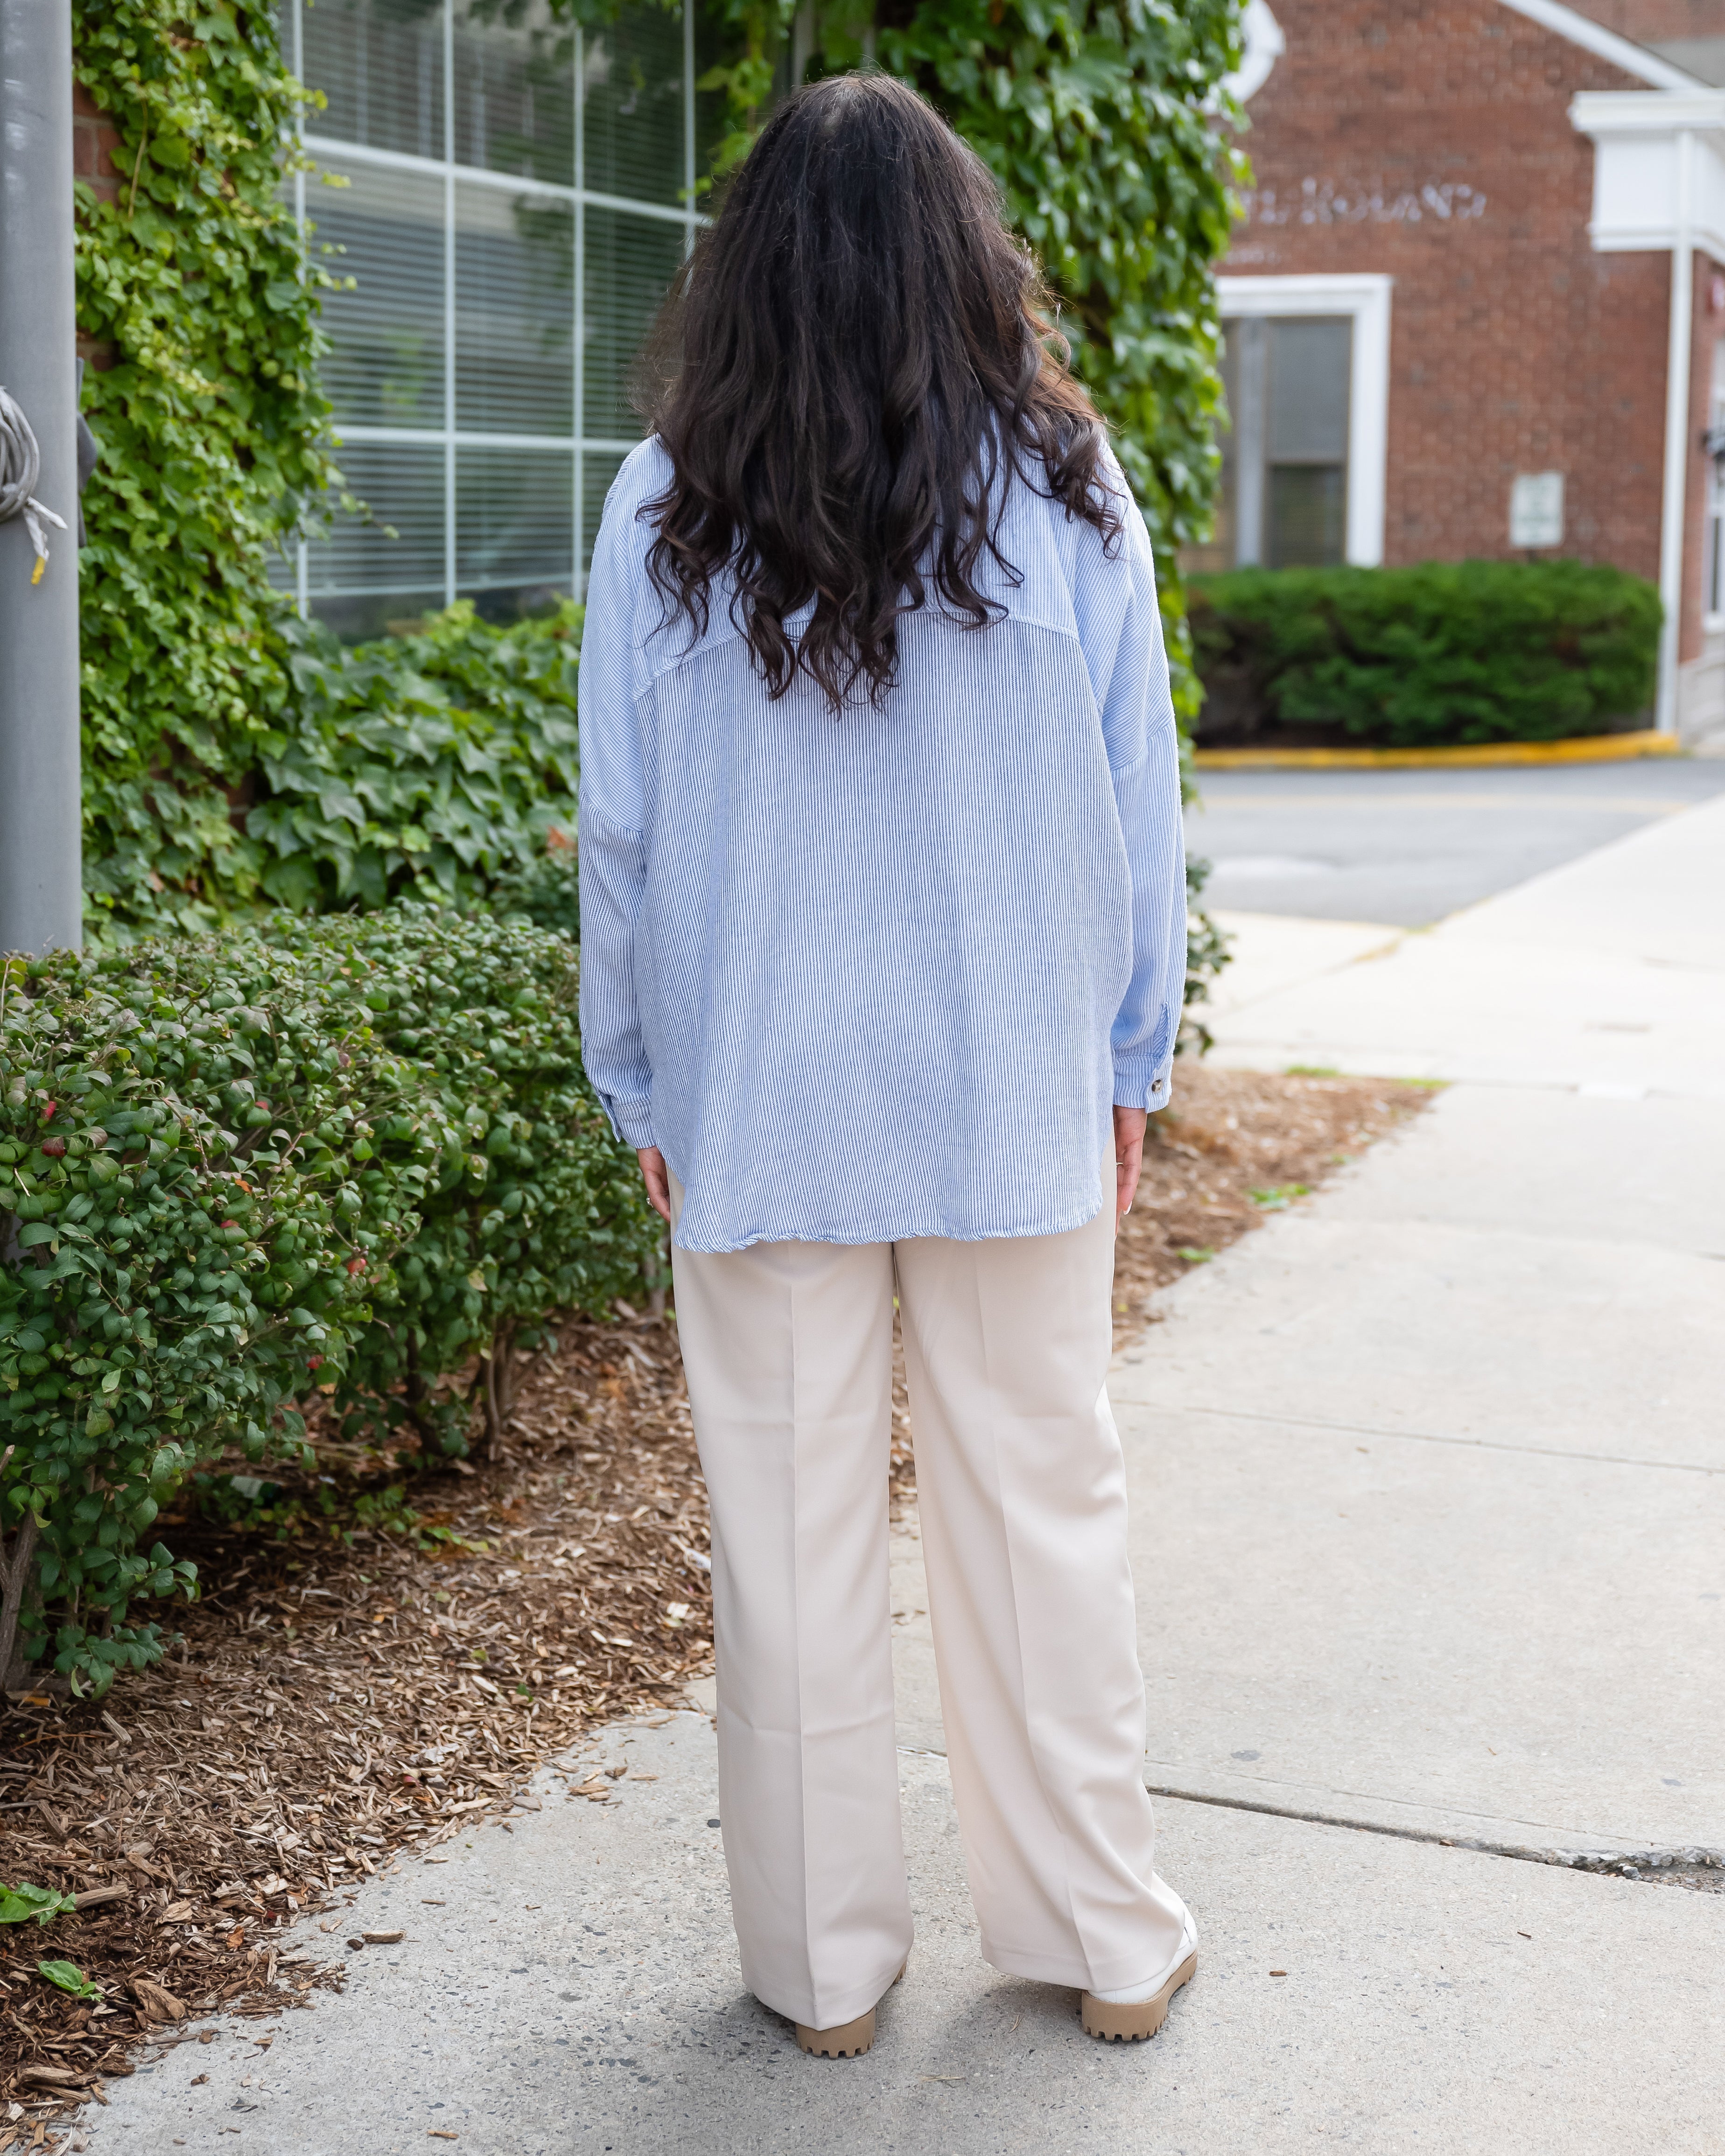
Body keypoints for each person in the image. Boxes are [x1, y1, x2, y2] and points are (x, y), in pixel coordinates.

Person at [577, 71, 1194, 2058]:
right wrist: (1129, 1057)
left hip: (764, 1081)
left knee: (787, 1530)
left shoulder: (665, 498)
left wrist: (641, 1077)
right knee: (1044, 1512)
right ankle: (1103, 1937)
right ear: (966, 253)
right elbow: (1138, 803)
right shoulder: (1075, 486)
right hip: (1012, 1076)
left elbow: (625, 832)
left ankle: (825, 1972)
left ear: (747, 261)